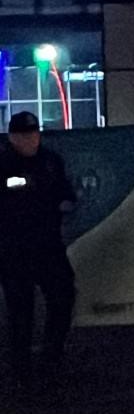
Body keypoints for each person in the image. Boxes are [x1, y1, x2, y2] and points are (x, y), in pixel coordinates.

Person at [0, 112, 76, 396]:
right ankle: (21, 371)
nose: (31, 139)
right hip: (14, 249)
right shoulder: (3, 163)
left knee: (63, 296)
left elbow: (65, 192)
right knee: (21, 311)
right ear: (12, 137)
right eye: (24, 135)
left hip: (47, 245)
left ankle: (51, 358)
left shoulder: (50, 161)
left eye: (34, 133)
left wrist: (66, 202)